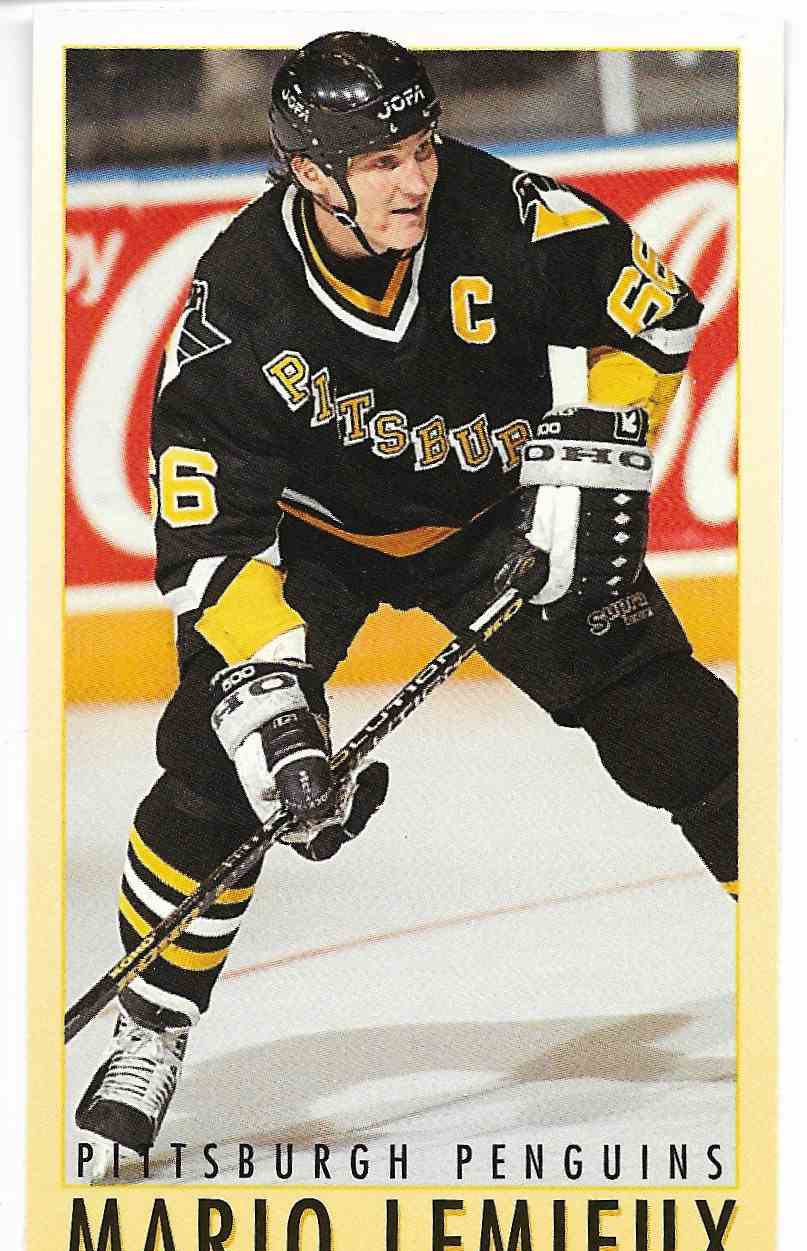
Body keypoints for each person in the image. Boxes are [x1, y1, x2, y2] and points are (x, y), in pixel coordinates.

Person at [75, 32, 738, 1156]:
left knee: (683, 731)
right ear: (310, 172)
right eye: (381, 161)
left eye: (421, 147)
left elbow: (657, 314)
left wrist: (598, 445)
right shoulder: (238, 305)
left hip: (495, 517)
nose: (416, 178)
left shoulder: (505, 215)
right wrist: (275, 713)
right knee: (210, 771)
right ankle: (151, 1026)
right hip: (314, 544)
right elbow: (210, 544)